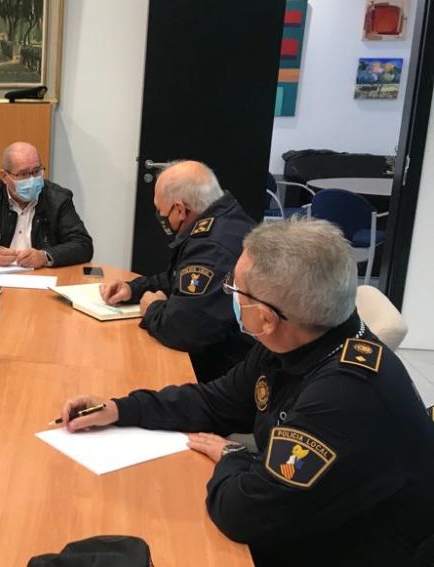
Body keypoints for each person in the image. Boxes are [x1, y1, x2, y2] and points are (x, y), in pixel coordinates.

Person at [60, 218, 434, 567]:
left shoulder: (343, 395)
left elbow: (241, 513)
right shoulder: (297, 337)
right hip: (309, 515)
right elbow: (215, 401)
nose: (229, 295)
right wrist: (120, 409)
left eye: (235, 289)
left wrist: (233, 455)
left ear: (266, 317)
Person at [102, 160, 254, 382]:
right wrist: (133, 289)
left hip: (224, 371)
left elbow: (184, 330)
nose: (159, 215)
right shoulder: (223, 217)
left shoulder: (212, 248)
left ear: (180, 210)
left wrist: (152, 308)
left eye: (160, 209)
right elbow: (178, 278)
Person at [0, 141, 93, 268]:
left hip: (43, 278)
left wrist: (44, 256)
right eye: (23, 174)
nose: (32, 179)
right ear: (4, 176)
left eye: (36, 171)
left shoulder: (58, 198)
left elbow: (83, 245)